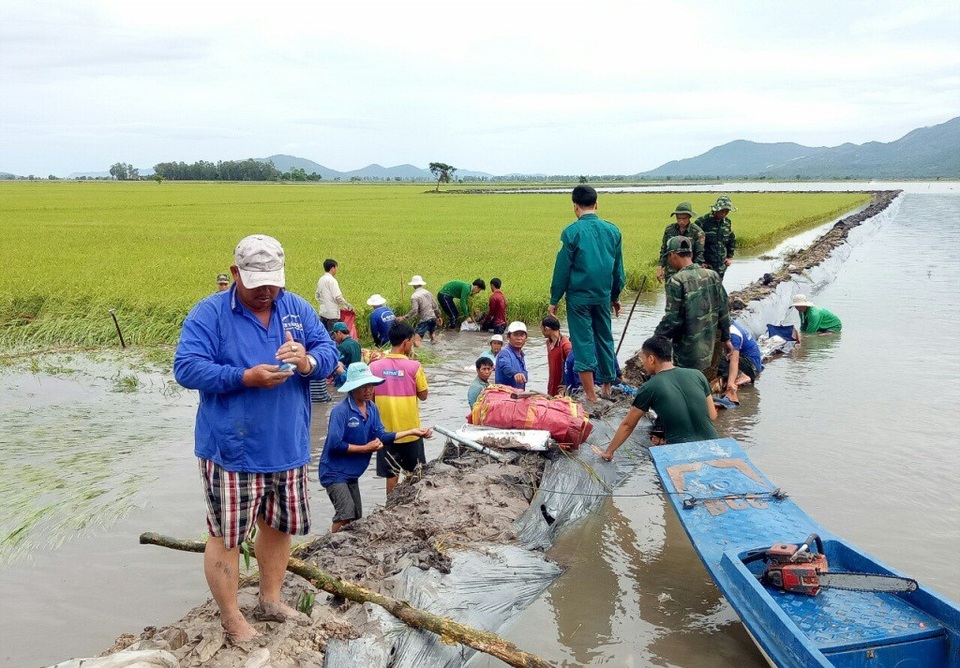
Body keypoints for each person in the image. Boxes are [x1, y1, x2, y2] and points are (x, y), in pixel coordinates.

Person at [174, 234, 339, 642]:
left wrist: (308, 361)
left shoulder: (296, 308)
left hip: (289, 444)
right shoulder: (209, 314)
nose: (267, 292)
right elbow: (186, 368)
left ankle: (270, 599)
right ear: (235, 274)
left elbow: (329, 354)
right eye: (256, 283)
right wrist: (243, 377)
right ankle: (231, 618)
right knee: (227, 535)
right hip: (232, 449)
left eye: (273, 283)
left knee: (278, 527)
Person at [319, 362, 430, 532]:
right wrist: (365, 448)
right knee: (345, 513)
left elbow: (383, 436)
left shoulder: (372, 408)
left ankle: (343, 547)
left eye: (370, 385)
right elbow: (335, 445)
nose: (368, 390)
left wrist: (412, 432)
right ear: (352, 387)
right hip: (334, 472)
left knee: (356, 517)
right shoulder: (341, 411)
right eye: (363, 386)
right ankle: (327, 546)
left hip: (352, 473)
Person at [549, 185, 625, 408]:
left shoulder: (571, 232)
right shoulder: (613, 231)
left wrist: (555, 298)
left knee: (582, 342)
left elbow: (562, 269)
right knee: (604, 338)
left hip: (579, 299)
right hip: (602, 296)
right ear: (596, 204)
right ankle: (607, 388)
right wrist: (615, 295)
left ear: (575, 206)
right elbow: (618, 269)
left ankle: (591, 396)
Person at [600, 337, 717, 461]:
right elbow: (713, 415)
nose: (643, 365)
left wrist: (609, 452)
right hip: (714, 444)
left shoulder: (649, 387)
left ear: (651, 359)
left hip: (681, 452)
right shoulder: (697, 375)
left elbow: (628, 425)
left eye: (643, 359)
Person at [654, 236, 733, 376]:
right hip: (709, 349)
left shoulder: (677, 281)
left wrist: (656, 339)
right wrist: (726, 338)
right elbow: (724, 309)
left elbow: (673, 319)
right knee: (703, 384)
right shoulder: (713, 275)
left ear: (673, 255)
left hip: (687, 353)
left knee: (687, 386)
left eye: (668, 257)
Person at [369, 322, 431, 495]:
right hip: (411, 432)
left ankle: (390, 507)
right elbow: (424, 395)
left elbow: (370, 398)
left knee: (391, 475)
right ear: (406, 342)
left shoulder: (374, 367)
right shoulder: (415, 366)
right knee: (416, 474)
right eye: (411, 341)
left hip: (385, 433)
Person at [657, 202, 705, 286]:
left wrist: (697, 274)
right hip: (671, 272)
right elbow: (664, 249)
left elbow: (699, 255)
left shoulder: (697, 232)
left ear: (689, 217)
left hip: (689, 274)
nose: (681, 221)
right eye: (678, 218)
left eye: (684, 218)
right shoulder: (669, 229)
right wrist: (660, 267)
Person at [719, 321, 764, 403]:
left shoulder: (733, 334)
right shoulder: (730, 326)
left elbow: (734, 360)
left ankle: (743, 375)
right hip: (751, 361)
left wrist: (730, 385)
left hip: (751, 365)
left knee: (719, 362)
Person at [696, 195, 737, 281]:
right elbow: (694, 243)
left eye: (727, 211)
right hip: (705, 265)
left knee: (718, 288)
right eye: (722, 211)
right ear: (716, 209)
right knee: (705, 289)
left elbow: (731, 240)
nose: (724, 214)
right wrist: (700, 262)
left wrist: (730, 257)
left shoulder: (727, 223)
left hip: (721, 264)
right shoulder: (702, 222)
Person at [399, 274, 443, 346]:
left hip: (425, 320)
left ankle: (421, 357)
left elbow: (414, 311)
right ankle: (435, 353)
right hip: (433, 318)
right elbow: (435, 306)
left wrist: (404, 317)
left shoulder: (414, 296)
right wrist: (438, 316)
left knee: (416, 341)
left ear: (413, 285)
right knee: (432, 336)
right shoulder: (428, 292)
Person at [315, 258, 354, 331]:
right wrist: (347, 305)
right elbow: (338, 297)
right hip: (332, 314)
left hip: (323, 313)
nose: (336, 270)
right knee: (333, 336)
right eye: (336, 268)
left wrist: (324, 301)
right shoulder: (332, 281)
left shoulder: (321, 279)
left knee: (324, 336)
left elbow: (317, 296)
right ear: (332, 268)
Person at [541, 316, 572, 396]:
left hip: (562, 389)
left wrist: (568, 385)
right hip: (552, 386)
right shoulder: (548, 342)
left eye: (541, 328)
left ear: (547, 329)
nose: (541, 331)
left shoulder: (566, 345)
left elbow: (574, 366)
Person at [494, 321, 529, 390]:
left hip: (518, 395)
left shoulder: (521, 355)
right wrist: (515, 374)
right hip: (504, 396)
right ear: (508, 337)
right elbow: (505, 366)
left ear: (526, 338)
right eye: (515, 335)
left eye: (522, 335)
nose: (519, 338)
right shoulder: (505, 353)